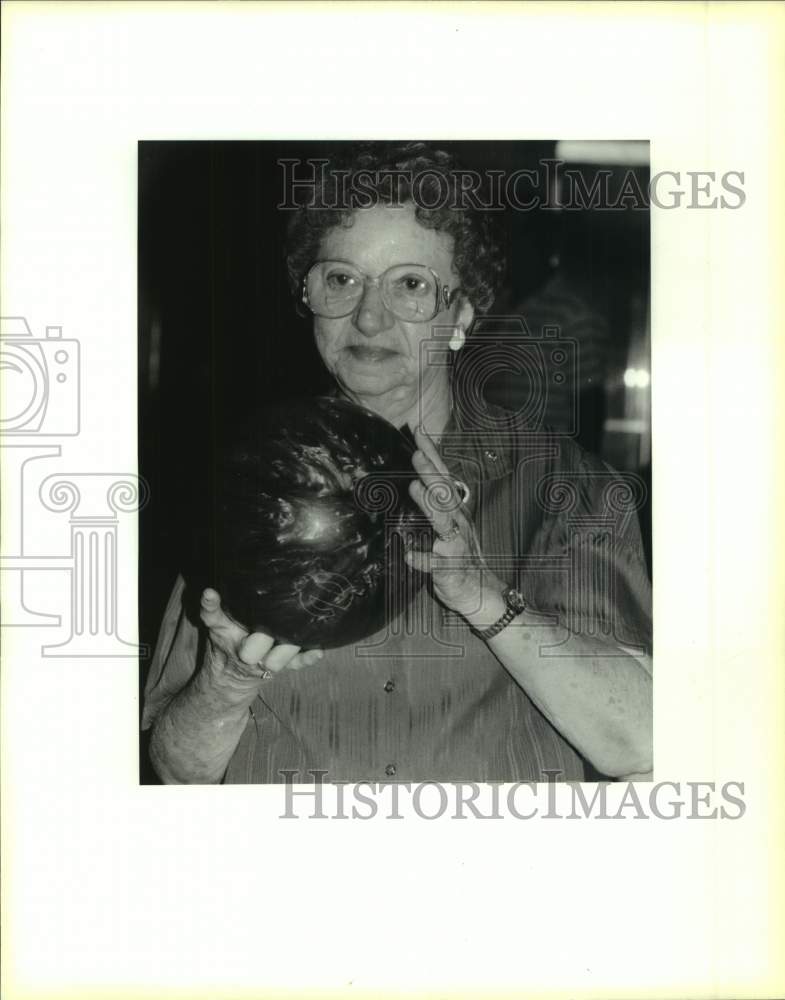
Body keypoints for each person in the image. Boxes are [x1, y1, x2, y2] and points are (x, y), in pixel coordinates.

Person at [143, 142, 652, 785]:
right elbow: (175, 773)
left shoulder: (569, 489)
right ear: (308, 296)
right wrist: (226, 681)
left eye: (410, 285)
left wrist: (482, 597)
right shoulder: (245, 485)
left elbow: (642, 742)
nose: (369, 315)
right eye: (341, 279)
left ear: (462, 312)